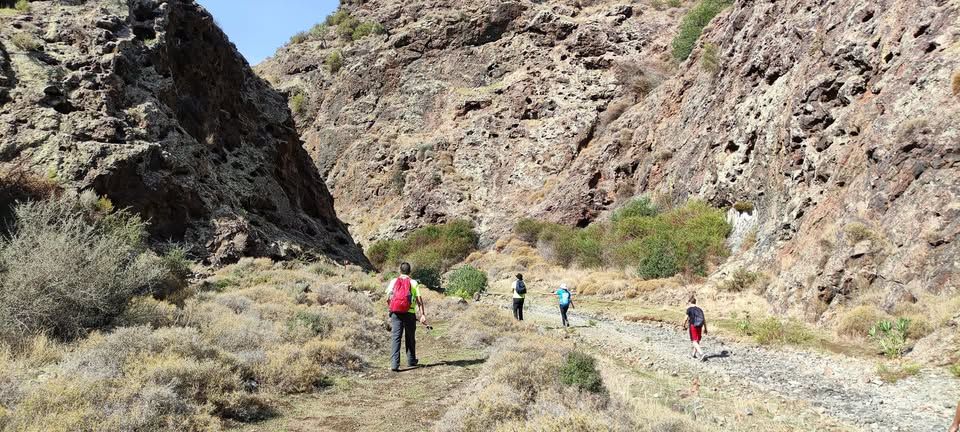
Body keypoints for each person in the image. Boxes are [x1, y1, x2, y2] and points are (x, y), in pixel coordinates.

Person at [386, 262, 427, 372]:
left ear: (400, 271)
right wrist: (422, 314)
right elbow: (419, 300)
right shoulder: (413, 282)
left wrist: (391, 310)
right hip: (409, 312)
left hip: (396, 312)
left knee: (396, 337)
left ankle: (395, 364)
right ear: (410, 272)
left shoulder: (394, 281)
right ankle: (411, 360)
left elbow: (388, 297)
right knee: (410, 337)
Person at [683, 295, 707, 361]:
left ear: (690, 302)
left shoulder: (689, 309)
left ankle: (702, 354)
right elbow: (704, 319)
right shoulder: (700, 309)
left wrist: (683, 325)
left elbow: (685, 318)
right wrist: (705, 328)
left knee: (694, 341)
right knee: (697, 340)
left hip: (693, 325)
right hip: (700, 325)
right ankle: (693, 353)